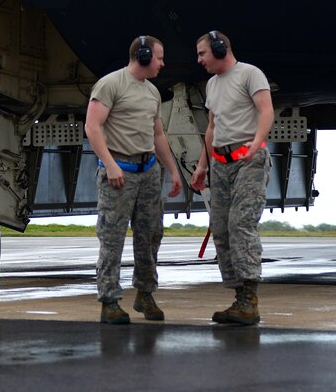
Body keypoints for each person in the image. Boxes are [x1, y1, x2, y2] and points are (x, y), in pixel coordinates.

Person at [85, 35, 183, 324]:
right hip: (119, 173)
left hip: (149, 171)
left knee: (151, 234)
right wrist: (110, 165)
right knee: (112, 237)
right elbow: (93, 127)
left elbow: (157, 134)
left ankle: (145, 292)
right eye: (159, 57)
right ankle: (110, 300)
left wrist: (173, 170)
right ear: (142, 56)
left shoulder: (152, 92)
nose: (163, 63)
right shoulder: (110, 85)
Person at [190, 30, 274, 325]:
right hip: (221, 164)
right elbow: (212, 128)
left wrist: (256, 142)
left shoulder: (250, 74)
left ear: (219, 48)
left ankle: (250, 299)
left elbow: (266, 111)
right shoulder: (212, 85)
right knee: (222, 229)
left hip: (249, 161)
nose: (199, 60)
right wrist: (202, 165)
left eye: (202, 53)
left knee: (241, 223)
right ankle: (239, 297)